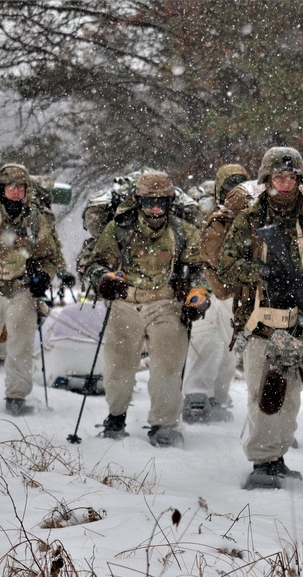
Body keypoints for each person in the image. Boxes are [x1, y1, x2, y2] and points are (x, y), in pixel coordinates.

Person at [217, 147, 303, 488]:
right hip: (261, 320)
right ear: (267, 180)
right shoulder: (252, 218)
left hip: (300, 321)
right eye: (278, 178)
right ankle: (262, 460)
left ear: (300, 180)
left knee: (291, 398)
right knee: (264, 395)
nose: (285, 185)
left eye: (291, 178)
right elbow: (226, 265)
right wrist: (263, 272)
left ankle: (277, 455)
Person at [85, 170, 207, 447]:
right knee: (117, 367)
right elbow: (96, 263)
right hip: (125, 301)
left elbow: (201, 268)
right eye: (149, 202)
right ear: (138, 200)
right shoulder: (119, 228)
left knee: (167, 366)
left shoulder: (183, 231)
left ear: (169, 202)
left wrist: (198, 294)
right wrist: (104, 280)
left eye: (161, 202)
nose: (154, 208)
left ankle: (163, 423)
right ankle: (115, 415)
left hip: (166, 303)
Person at [0, 163, 65, 416]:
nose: (16, 192)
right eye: (11, 187)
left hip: (22, 287)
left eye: (21, 187)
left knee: (21, 343)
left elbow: (50, 256)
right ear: (1, 189)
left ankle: (16, 396)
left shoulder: (35, 219)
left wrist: (43, 276)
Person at [181, 164, 251, 424]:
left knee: (229, 345)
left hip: (236, 289)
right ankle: (196, 395)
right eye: (229, 187)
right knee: (205, 339)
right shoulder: (205, 214)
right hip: (204, 288)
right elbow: (192, 251)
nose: (234, 192)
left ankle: (219, 397)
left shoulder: (252, 213)